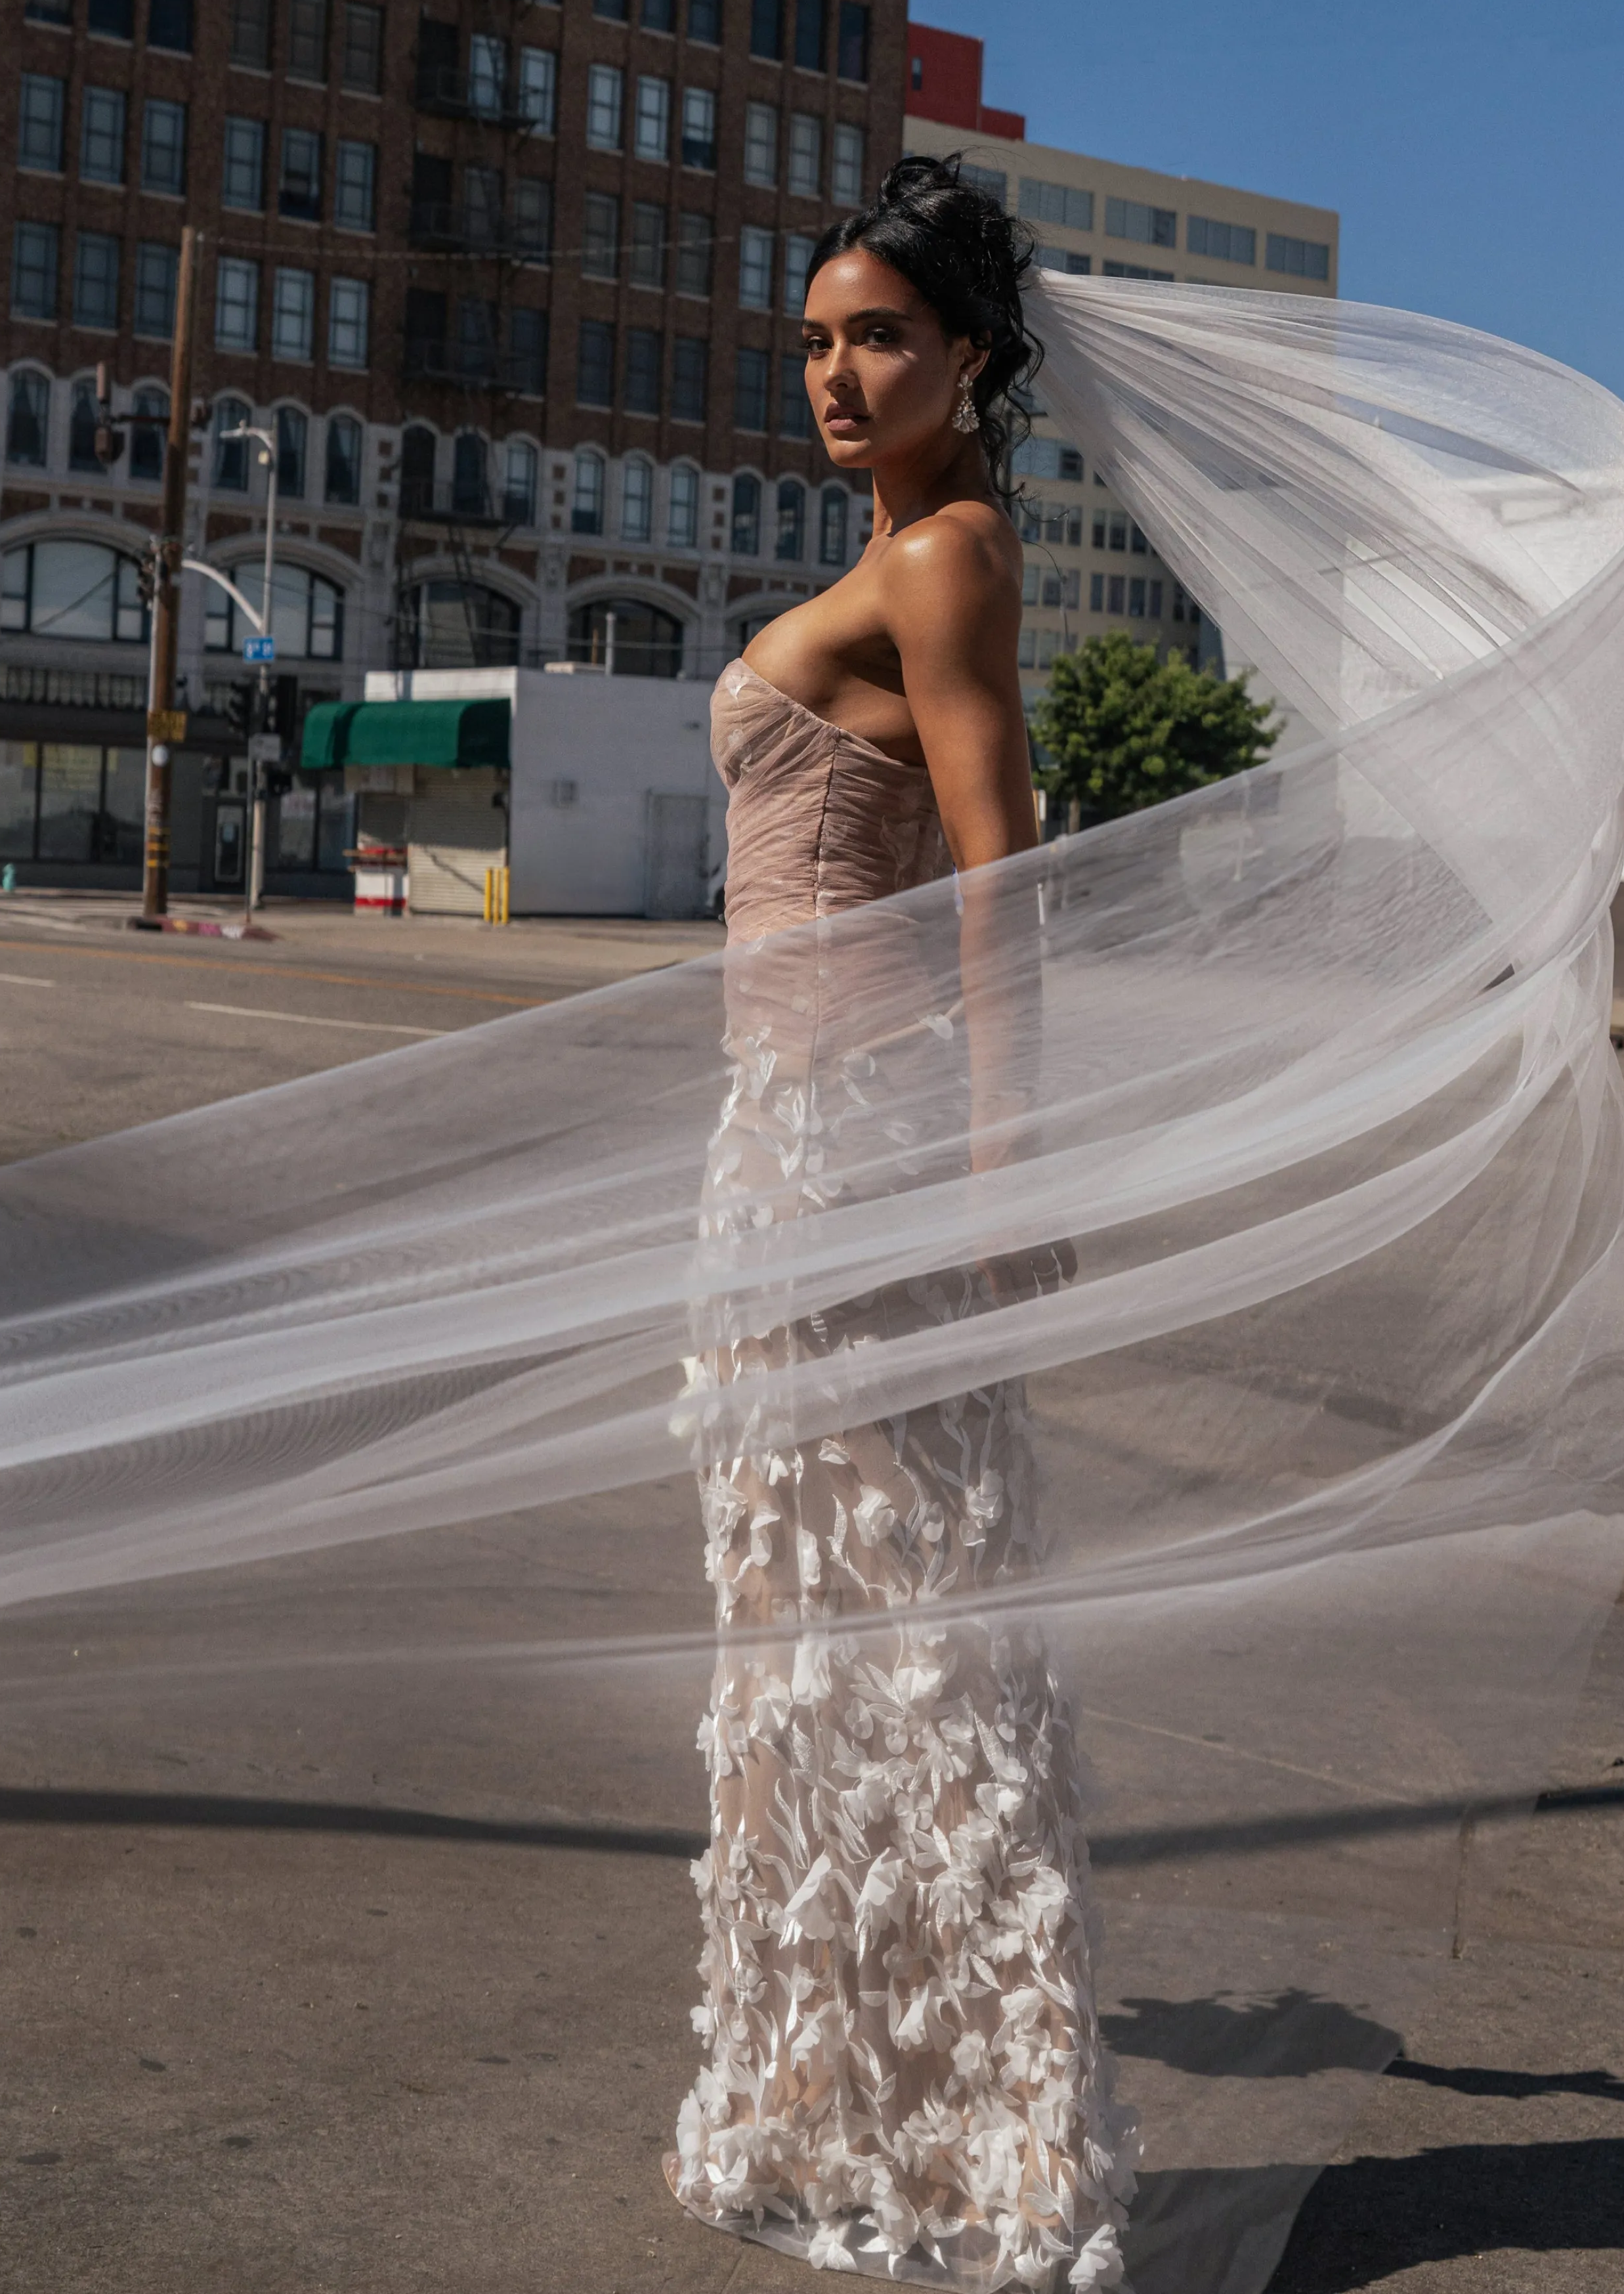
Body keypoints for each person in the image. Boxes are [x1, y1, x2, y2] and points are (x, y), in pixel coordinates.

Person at [667, 155, 1138, 2287]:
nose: (836, 375)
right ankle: (833, 2092)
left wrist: (995, 1160)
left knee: (906, 1627)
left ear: (967, 359)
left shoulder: (948, 560)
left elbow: (994, 872)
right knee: (807, 1629)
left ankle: (994, 2146)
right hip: (780, 1138)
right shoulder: (890, 553)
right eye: (814, 341)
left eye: (876, 337)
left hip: (854, 1147)